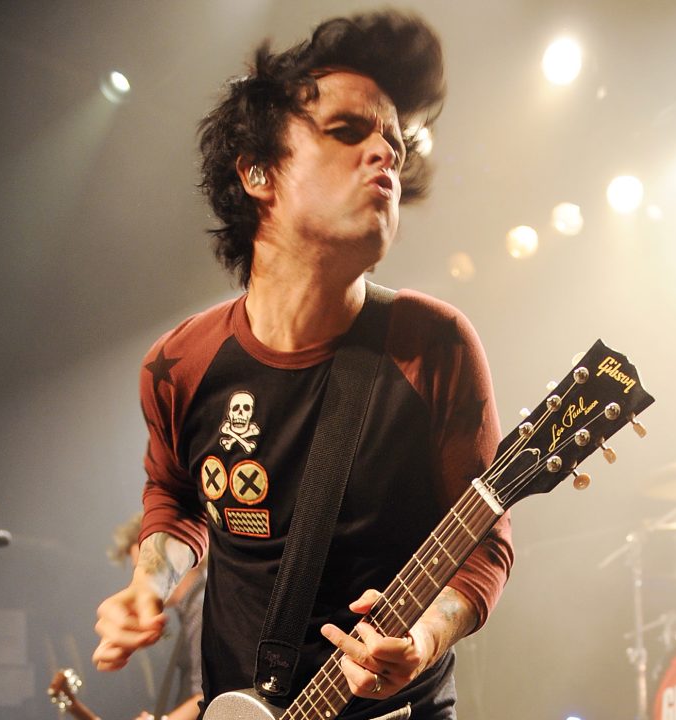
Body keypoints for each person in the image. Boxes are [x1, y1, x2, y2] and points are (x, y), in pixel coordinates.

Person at [92, 11, 514, 720]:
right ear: (257, 172)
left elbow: (484, 541)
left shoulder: (434, 345)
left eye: (394, 144)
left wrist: (423, 639)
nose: (384, 155)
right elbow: (176, 495)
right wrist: (149, 584)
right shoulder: (178, 365)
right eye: (347, 131)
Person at [107, 513, 206, 720]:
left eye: (146, 568)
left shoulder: (200, 607)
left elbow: (206, 695)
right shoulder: (193, 607)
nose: (140, 580)